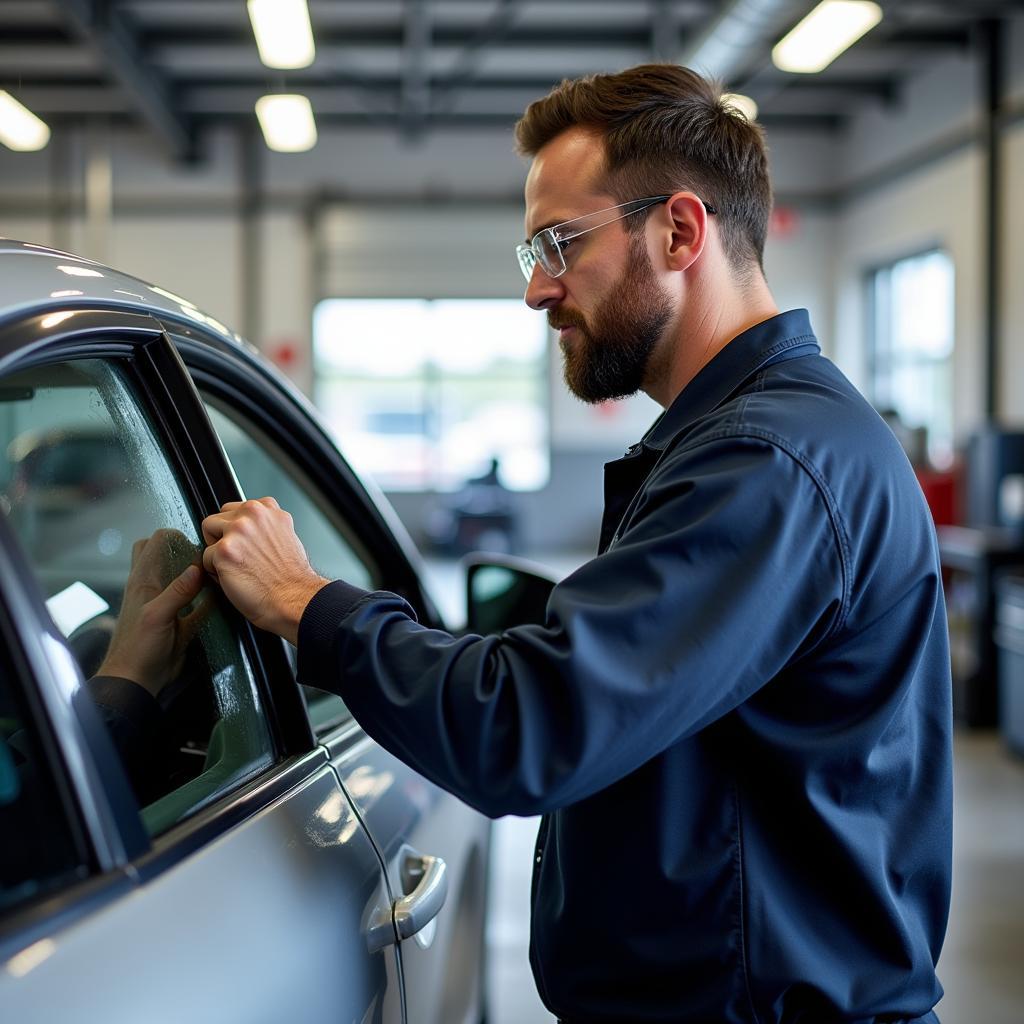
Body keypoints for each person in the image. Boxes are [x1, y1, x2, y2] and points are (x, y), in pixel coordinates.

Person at [183, 65, 950, 1023]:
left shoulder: (766, 463)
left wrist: (304, 603)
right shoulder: (755, 441)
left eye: (560, 242)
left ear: (679, 230)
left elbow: (527, 728)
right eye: (532, 250)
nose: (539, 289)